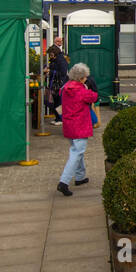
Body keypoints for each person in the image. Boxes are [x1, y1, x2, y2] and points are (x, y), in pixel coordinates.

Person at [57, 62, 99, 196]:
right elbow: (94, 97)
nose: (86, 78)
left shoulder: (65, 88)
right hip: (80, 125)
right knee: (76, 153)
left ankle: (80, 177)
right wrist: (89, 87)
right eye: (85, 77)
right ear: (81, 78)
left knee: (77, 151)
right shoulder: (82, 90)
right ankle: (63, 182)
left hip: (69, 124)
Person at [46, 44, 69, 124]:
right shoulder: (53, 60)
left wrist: (51, 71)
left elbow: (63, 73)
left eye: (51, 54)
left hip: (60, 84)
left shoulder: (61, 60)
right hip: (55, 84)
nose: (50, 55)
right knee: (55, 101)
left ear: (54, 52)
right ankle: (57, 118)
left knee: (59, 102)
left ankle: (60, 119)